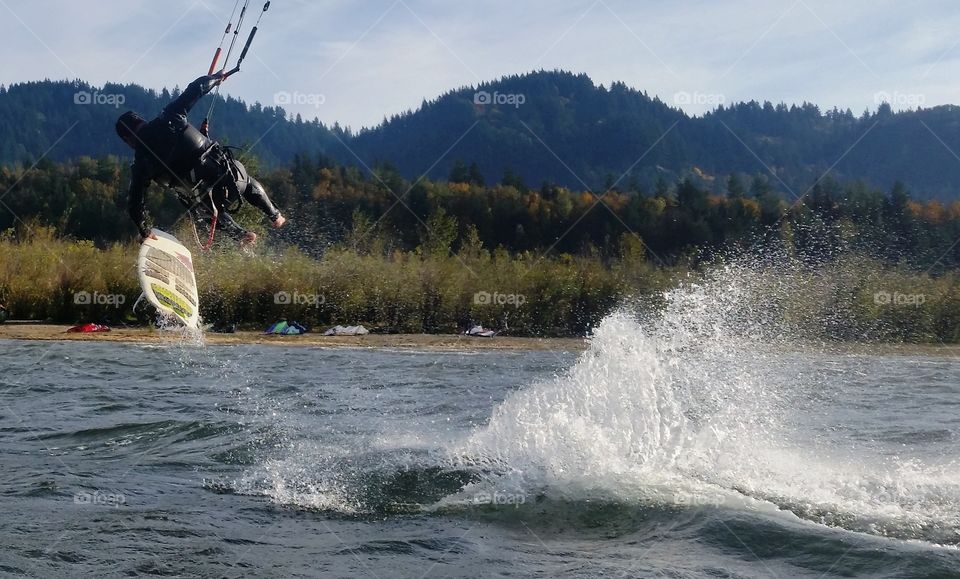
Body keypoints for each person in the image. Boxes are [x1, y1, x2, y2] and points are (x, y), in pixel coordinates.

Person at [116, 73, 285, 247]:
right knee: (247, 181)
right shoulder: (169, 117)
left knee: (202, 207)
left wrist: (145, 231)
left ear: (128, 140)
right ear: (141, 121)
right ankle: (275, 215)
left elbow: (134, 205)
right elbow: (196, 88)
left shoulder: (140, 163)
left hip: (212, 201)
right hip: (231, 179)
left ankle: (240, 235)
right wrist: (216, 78)